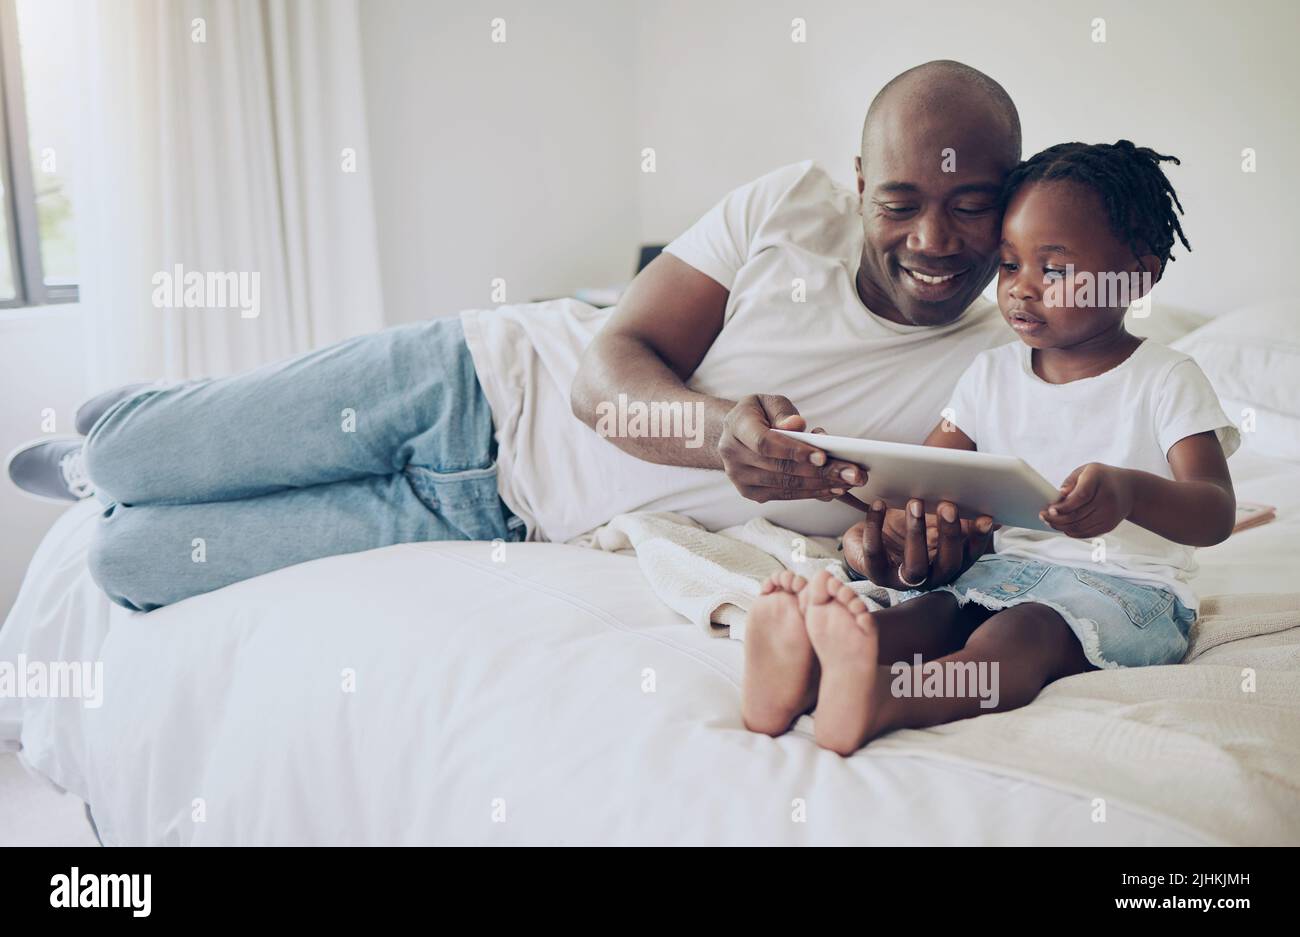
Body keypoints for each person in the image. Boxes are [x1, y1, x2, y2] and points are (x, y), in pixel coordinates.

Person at [8, 60, 1019, 610]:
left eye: (971, 206)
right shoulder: (789, 207)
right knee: (131, 451)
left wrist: (899, 554)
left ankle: (128, 462)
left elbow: (896, 535)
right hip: (474, 383)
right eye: (899, 202)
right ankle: (129, 435)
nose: (931, 240)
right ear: (856, 185)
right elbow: (603, 373)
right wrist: (721, 434)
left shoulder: (992, 373)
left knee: (128, 565)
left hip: (497, 517)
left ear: (1008, 203)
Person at [741, 140, 1239, 756]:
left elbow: (1215, 511)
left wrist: (1130, 492)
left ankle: (882, 700)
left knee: (1016, 637)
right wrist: (877, 498)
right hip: (998, 570)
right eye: (1009, 266)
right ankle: (806, 669)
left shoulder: (1166, 378)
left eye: (1052, 270)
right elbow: (928, 477)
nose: (1021, 290)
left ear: (1139, 272)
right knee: (927, 616)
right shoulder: (989, 374)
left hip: (1123, 590)